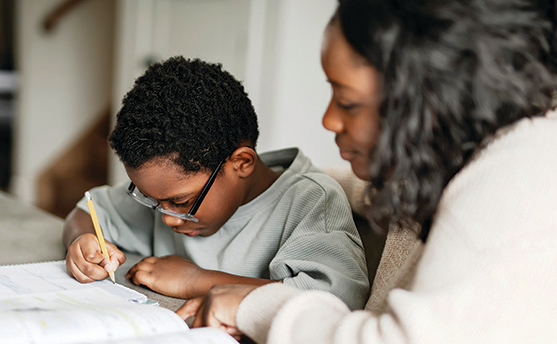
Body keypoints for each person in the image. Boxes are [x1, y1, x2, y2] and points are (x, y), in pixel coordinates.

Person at [177, 0, 557, 344]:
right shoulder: (467, 155)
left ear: (432, 95)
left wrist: (258, 305)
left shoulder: (526, 181)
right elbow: (364, 190)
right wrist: (258, 185)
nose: (329, 120)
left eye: (348, 102)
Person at [62, 56, 369, 309]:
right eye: (151, 200)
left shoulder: (312, 202)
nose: (167, 218)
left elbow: (332, 304)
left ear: (241, 163)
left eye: (181, 202)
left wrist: (195, 280)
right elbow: (88, 211)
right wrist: (84, 243)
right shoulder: (168, 190)